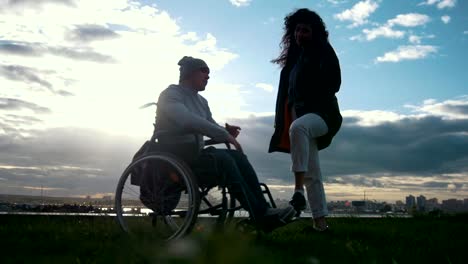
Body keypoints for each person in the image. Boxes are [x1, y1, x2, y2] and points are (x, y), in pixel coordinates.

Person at [154, 56, 296, 231]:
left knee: (238, 157)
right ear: (190, 73)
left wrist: (226, 132)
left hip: (195, 154)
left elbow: (210, 125)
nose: (208, 76)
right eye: (204, 71)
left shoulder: (201, 101)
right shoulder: (170, 94)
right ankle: (260, 215)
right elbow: (186, 120)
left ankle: (264, 210)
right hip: (176, 156)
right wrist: (223, 135)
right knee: (224, 159)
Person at [269, 9, 342, 231]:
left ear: (315, 33)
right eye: (298, 30)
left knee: (299, 127)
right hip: (300, 121)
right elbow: (286, 99)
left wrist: (312, 96)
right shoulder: (291, 64)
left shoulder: (322, 50)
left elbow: (334, 83)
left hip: (323, 116)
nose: (301, 34)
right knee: (313, 173)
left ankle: (297, 191)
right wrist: (281, 124)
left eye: (306, 30)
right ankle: (320, 225)